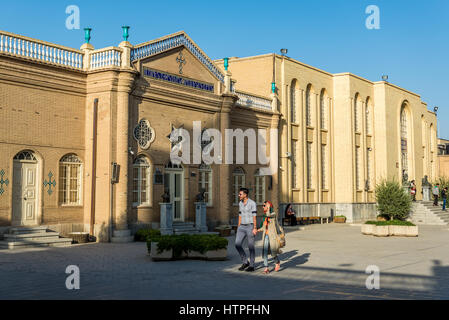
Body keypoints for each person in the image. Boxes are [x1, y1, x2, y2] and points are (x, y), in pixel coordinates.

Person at [257, 201, 284, 274]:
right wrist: (258, 230)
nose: (263, 207)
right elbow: (263, 227)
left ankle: (277, 262)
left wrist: (268, 208)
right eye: (263, 205)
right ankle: (266, 268)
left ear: (269, 206)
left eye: (264, 205)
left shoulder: (273, 214)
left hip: (273, 237)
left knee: (273, 253)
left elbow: (269, 214)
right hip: (266, 236)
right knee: (265, 252)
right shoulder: (265, 216)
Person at [235, 188, 258, 272]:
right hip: (241, 227)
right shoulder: (240, 203)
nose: (239, 195)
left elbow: (254, 216)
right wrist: (238, 227)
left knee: (251, 246)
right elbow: (240, 216)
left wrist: (255, 228)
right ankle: (245, 261)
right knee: (237, 244)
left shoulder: (252, 203)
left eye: (240, 194)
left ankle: (251, 265)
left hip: (250, 226)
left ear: (245, 195)